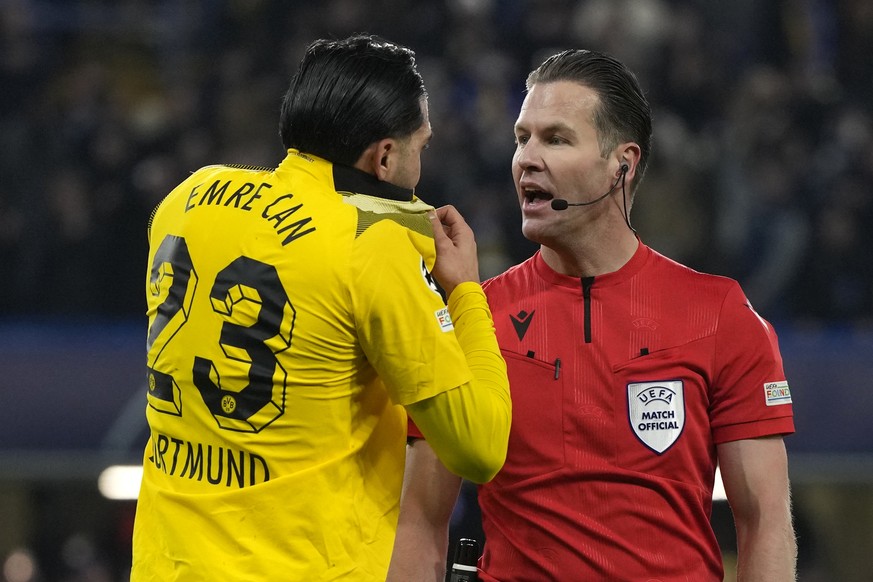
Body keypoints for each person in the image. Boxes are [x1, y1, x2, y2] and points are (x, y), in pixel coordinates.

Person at [390, 48, 797, 581]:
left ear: (620, 166)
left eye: (556, 139)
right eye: (522, 138)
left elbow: (765, 522)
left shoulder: (720, 314)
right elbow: (420, 522)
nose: (526, 159)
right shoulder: (472, 316)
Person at [131, 34, 511, 581]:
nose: (420, 165)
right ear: (384, 157)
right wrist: (466, 293)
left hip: (164, 564)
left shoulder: (186, 198)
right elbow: (480, 447)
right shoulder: (371, 246)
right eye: (419, 148)